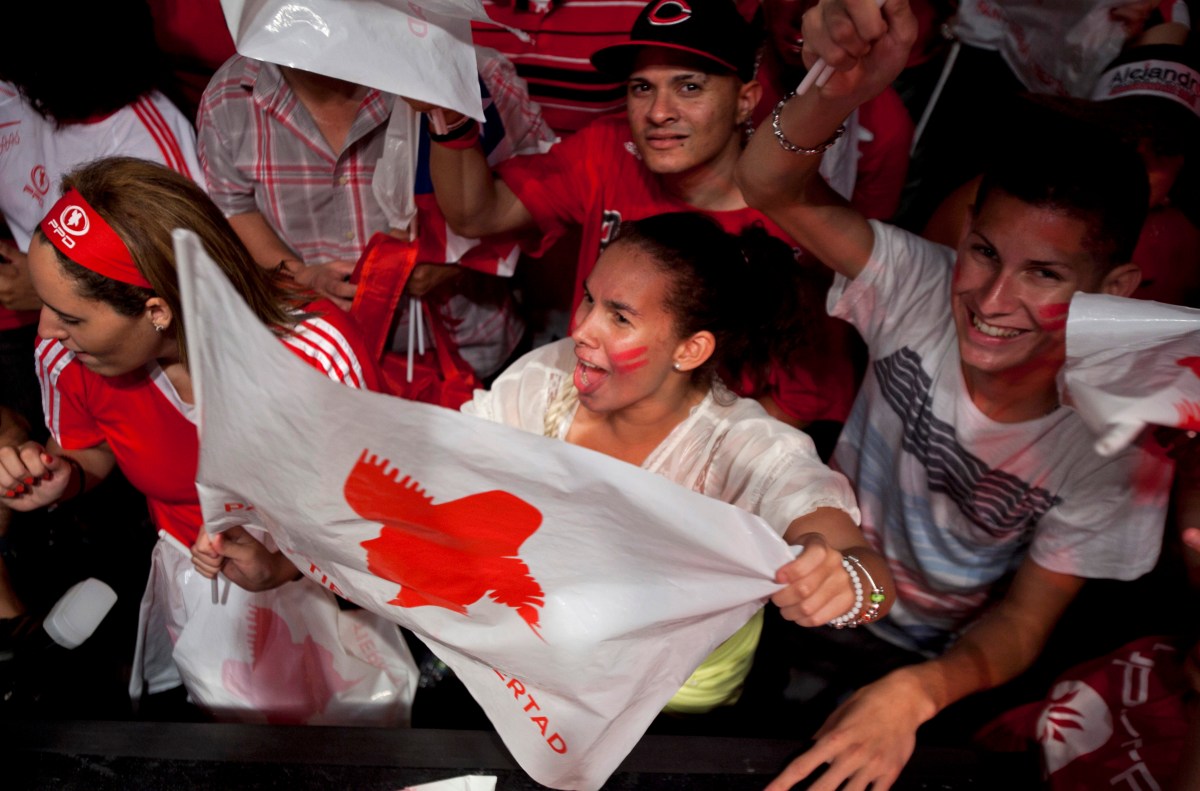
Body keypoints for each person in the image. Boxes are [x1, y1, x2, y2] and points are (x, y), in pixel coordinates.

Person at [737, 1, 1174, 788]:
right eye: (984, 252)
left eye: (1044, 274)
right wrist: (837, 86)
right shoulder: (916, 283)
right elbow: (768, 181)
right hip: (795, 565)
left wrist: (914, 693)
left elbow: (1024, 620)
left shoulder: (1116, 444)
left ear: (1115, 289)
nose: (993, 298)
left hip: (924, 651)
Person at [0, 156, 397, 719]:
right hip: (197, 582)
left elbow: (378, 514)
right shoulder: (67, 357)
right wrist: (62, 476)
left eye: (71, 316)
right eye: (44, 304)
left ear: (156, 309)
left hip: (332, 586)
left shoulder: (309, 352)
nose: (44, 329)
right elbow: (91, 447)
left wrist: (283, 568)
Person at [461, 211, 893, 724]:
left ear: (691, 349)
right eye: (589, 299)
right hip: (535, 662)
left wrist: (845, 580)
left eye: (619, 317)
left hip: (670, 706)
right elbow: (463, 461)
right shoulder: (548, 378)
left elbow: (872, 579)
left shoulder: (743, 451)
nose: (581, 329)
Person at [422, 0, 859, 433]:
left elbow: (803, 400)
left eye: (689, 87)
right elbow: (476, 214)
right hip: (591, 420)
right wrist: (448, 116)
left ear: (746, 101)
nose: (658, 112)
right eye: (641, 88)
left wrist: (680, 465)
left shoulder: (795, 219)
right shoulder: (608, 152)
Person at [197, 48, 553, 379]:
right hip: (326, 361)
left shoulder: (463, 71)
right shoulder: (228, 98)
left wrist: (460, 259)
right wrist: (298, 275)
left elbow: (550, 190)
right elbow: (234, 206)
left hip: (473, 345)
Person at [0, 0, 201, 440]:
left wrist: (42, 294)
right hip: (31, 326)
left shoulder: (146, 137)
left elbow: (186, 291)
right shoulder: (14, 95)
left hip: (117, 341)